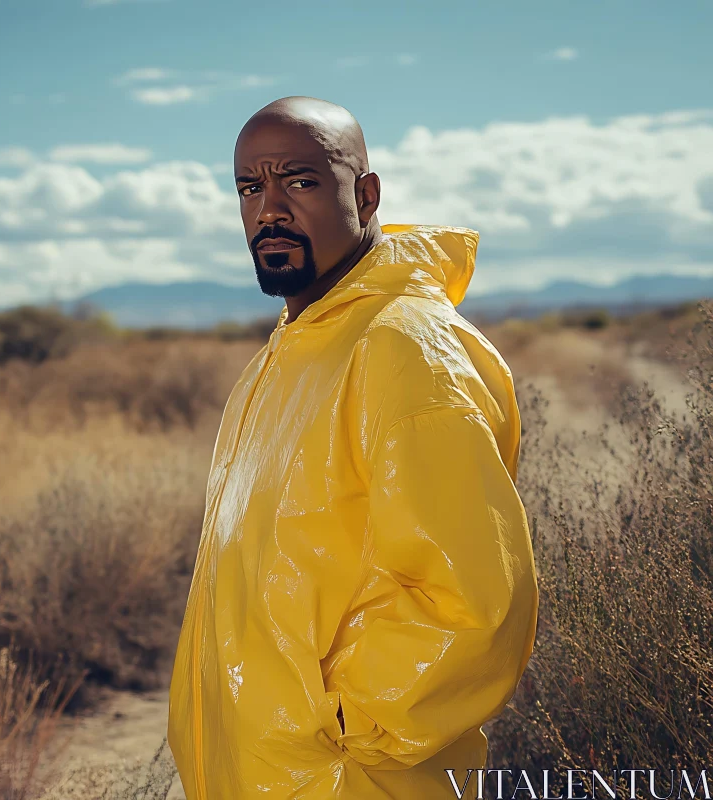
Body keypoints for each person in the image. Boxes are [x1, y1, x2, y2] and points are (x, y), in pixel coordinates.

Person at [167, 96, 539, 800]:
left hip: (349, 779)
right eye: (251, 187)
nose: (268, 209)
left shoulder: (407, 350)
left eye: (299, 181)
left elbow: (473, 599)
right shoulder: (288, 352)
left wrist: (351, 736)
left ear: (366, 195)